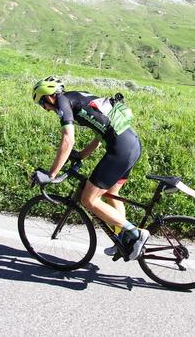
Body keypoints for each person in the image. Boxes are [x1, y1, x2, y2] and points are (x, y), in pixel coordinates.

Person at [32, 76, 149, 260]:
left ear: (48, 98)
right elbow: (99, 135)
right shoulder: (77, 99)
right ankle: (122, 239)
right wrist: (81, 155)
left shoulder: (63, 103)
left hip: (121, 149)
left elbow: (68, 139)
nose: (45, 109)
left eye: (42, 104)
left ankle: (135, 233)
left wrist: (51, 174)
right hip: (132, 144)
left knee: (88, 200)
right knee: (112, 192)